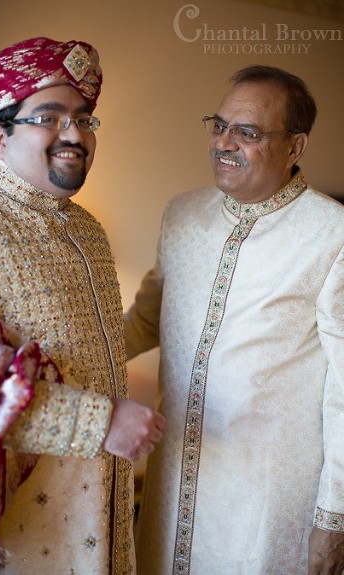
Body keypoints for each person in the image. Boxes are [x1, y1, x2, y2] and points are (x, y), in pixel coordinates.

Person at [126, 65, 344, 574]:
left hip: (268, 502)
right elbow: (146, 319)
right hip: (172, 477)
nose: (224, 143)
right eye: (219, 125)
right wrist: (44, 357)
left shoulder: (332, 235)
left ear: (295, 147)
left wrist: (334, 517)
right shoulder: (182, 214)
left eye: (247, 133)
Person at [0, 37, 166, 574]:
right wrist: (102, 423)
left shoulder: (86, 229)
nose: (74, 134)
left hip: (105, 514)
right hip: (21, 532)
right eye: (49, 116)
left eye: (84, 119)